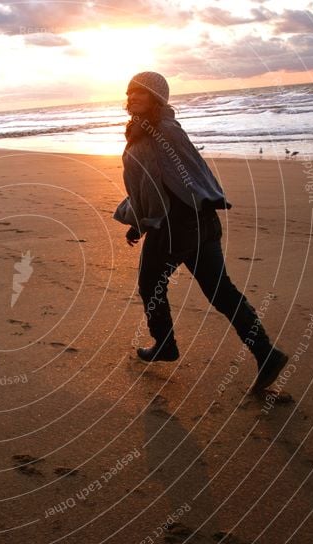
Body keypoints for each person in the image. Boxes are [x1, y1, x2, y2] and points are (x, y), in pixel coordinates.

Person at [114, 71, 287, 391]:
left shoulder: (160, 131)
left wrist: (140, 222)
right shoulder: (152, 129)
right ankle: (267, 353)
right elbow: (162, 183)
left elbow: (156, 188)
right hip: (200, 222)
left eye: (140, 92)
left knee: (151, 284)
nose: (132, 97)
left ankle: (165, 344)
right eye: (129, 92)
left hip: (176, 225)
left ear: (157, 98)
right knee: (221, 292)